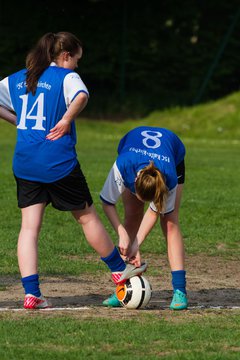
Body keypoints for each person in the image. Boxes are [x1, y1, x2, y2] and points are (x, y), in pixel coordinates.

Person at [0, 32, 145, 309]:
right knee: (87, 218)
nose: (77, 66)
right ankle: (118, 269)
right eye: (76, 60)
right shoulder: (65, 77)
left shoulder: (20, 76)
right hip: (58, 162)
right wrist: (66, 120)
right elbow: (82, 95)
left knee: (29, 228)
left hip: (25, 162)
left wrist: (18, 121)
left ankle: (32, 294)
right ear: (65, 55)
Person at [100, 126, 188, 310]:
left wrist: (136, 244)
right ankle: (123, 288)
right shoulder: (123, 165)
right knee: (132, 216)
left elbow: (154, 212)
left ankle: (180, 290)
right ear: (133, 184)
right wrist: (122, 233)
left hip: (171, 152)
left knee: (170, 222)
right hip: (132, 146)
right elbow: (107, 203)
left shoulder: (168, 176)